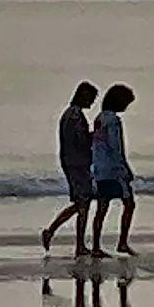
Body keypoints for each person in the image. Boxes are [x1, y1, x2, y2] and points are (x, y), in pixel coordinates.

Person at [40, 80, 100, 255]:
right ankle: (76, 243)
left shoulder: (71, 114)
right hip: (77, 163)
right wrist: (95, 135)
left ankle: (55, 232)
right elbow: (81, 141)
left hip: (72, 162)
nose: (92, 102)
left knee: (81, 203)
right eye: (91, 98)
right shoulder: (74, 116)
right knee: (83, 203)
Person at [89, 82, 138, 257]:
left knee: (102, 208)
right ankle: (122, 242)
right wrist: (124, 168)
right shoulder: (114, 121)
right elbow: (115, 146)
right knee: (129, 204)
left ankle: (95, 245)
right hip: (113, 170)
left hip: (100, 169)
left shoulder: (100, 118)